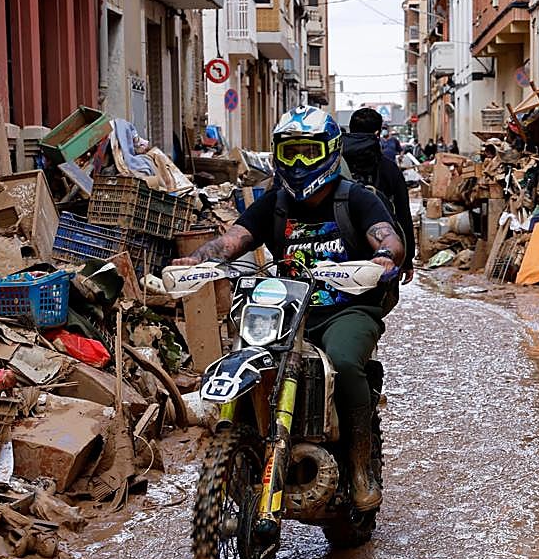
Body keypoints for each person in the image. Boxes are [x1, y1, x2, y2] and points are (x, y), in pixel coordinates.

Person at [171, 106, 405, 511]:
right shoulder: (275, 204)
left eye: (308, 152)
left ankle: (359, 465)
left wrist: (384, 257)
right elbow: (233, 240)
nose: (298, 163)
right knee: (247, 357)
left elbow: (387, 238)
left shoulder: (357, 199)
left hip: (346, 310)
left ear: (330, 151)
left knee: (344, 362)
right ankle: (245, 447)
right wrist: (198, 259)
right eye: (289, 152)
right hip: (286, 312)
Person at [343, 107, 416, 287]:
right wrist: (407, 259)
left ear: (351, 129)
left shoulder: (333, 165)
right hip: (382, 254)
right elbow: (403, 215)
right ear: (378, 133)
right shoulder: (389, 168)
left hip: (338, 251)